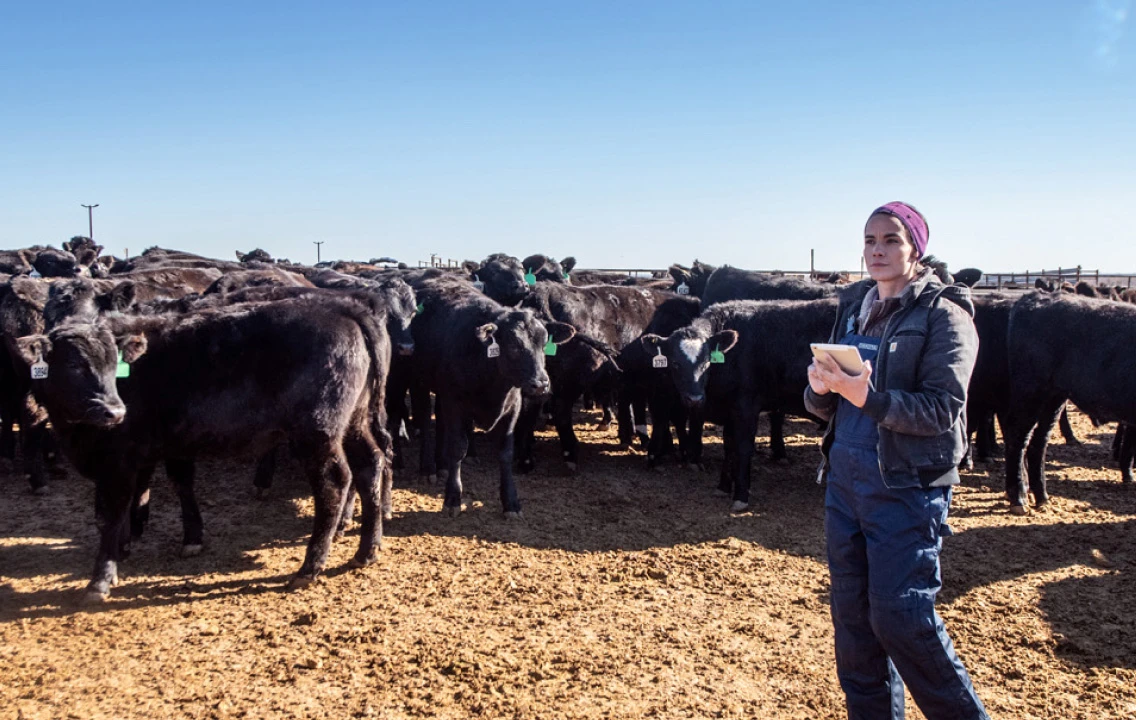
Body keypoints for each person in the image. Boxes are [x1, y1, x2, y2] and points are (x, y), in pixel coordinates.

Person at [804, 202, 989, 719]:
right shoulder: (853, 308)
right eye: (869, 240)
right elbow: (827, 407)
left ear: (916, 248)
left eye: (891, 240)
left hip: (907, 485)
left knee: (902, 617)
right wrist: (819, 390)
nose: (877, 251)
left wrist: (872, 399)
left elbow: (943, 409)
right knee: (855, 624)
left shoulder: (945, 316)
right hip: (845, 481)